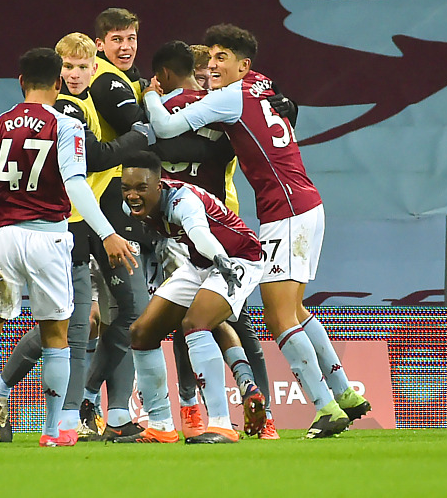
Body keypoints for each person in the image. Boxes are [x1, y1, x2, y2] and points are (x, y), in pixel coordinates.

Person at [143, 24, 371, 438]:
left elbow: (165, 128)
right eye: (209, 58)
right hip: (305, 202)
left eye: (221, 59)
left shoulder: (229, 98)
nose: (212, 66)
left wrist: (151, 95)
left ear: (242, 65)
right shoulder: (261, 84)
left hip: (285, 209)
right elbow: (279, 101)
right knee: (298, 310)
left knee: (279, 316)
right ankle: (346, 394)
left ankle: (326, 409)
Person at [0, 47, 138, 449]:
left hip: (3, 239)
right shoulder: (64, 124)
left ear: (20, 82)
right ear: (58, 82)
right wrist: (108, 232)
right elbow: (75, 184)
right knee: (56, 335)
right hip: (49, 239)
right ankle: (54, 430)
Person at [0, 33, 154, 442]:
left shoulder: (89, 101)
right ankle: (64, 415)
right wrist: (141, 133)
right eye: (68, 67)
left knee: (120, 314)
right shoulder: (62, 108)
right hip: (66, 226)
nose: (75, 74)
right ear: (57, 74)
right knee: (75, 326)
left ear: (94, 69)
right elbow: (96, 157)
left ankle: (104, 410)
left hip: (91, 220)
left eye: (83, 67)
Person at [80, 8, 222, 439]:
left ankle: (122, 413)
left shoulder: (129, 81)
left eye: (131, 39)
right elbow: (140, 133)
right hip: (110, 214)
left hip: (141, 216)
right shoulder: (105, 80)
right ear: (100, 43)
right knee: (130, 319)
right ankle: (99, 408)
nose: (125, 47)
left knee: (127, 319)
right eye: (116, 39)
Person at [156, 40, 280, 439]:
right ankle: (262, 413)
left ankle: (192, 409)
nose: (209, 77)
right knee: (235, 322)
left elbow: (154, 141)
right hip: (221, 223)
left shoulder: (164, 108)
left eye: (214, 69)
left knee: (184, 322)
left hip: (179, 227)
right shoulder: (223, 109)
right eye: (205, 71)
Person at [116, 151, 265, 443]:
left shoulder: (184, 201)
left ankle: (222, 424)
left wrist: (221, 259)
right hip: (199, 264)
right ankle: (160, 425)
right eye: (126, 188)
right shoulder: (131, 207)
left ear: (159, 185)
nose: (132, 195)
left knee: (196, 323)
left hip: (237, 260)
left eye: (140, 188)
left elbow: (199, 232)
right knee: (142, 332)